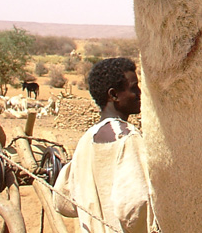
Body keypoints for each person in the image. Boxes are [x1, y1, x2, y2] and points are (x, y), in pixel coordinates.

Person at [53, 57, 155, 233]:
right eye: (133, 88)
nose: (139, 93)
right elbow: (136, 206)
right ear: (114, 95)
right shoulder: (128, 139)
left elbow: (62, 200)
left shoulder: (87, 139)